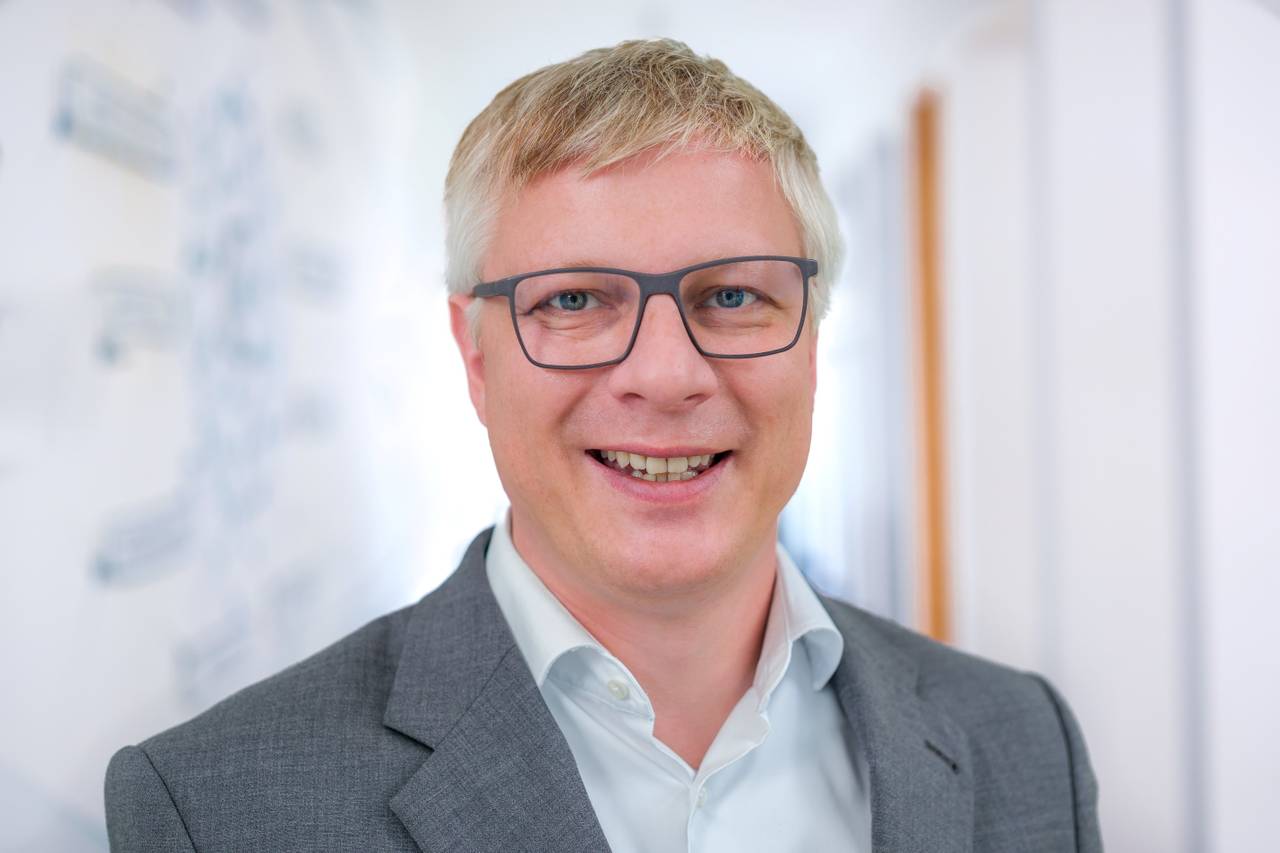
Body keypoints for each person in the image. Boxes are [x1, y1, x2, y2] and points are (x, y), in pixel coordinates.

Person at [104, 39, 1101, 852]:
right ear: (476, 356)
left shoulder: (1024, 746)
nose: (665, 375)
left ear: (811, 340)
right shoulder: (214, 808)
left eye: (733, 295)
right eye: (575, 300)